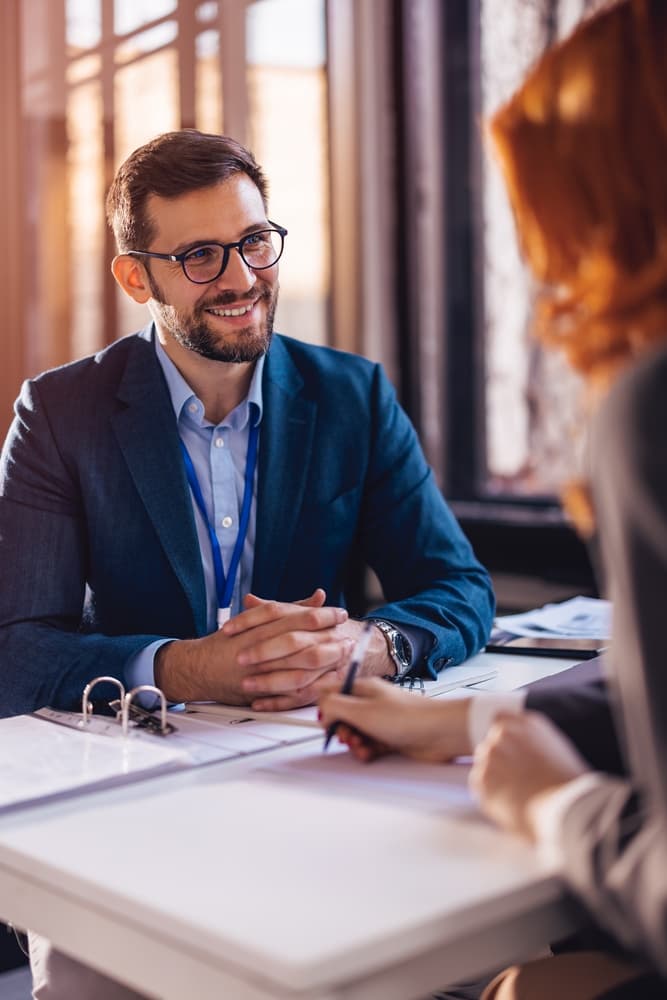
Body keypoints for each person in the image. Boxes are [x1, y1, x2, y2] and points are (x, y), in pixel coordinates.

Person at [0, 128, 493, 998]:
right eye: (198, 256)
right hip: (122, 793)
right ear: (134, 277)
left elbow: (456, 587)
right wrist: (191, 667)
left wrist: (364, 648)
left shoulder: (354, 395)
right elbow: (16, 646)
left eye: (253, 241)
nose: (239, 277)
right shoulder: (60, 412)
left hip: (313, 771)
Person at [321, 0, 667, 996]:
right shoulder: (66, 409)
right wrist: (468, 724)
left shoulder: (646, 403)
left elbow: (456, 583)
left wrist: (555, 804)